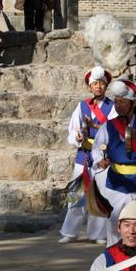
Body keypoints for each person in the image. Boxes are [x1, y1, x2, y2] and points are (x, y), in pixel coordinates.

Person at [91, 78, 136, 247]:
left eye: (123, 102)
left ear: (133, 103)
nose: (118, 105)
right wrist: (100, 160)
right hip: (116, 181)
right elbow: (96, 148)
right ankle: (114, 264)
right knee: (115, 224)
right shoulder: (108, 126)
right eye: (116, 101)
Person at [59, 66, 113, 244]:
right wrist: (78, 136)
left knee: (100, 194)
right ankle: (69, 231)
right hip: (83, 155)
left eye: (102, 84)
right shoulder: (81, 106)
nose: (99, 87)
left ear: (106, 87)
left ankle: (97, 233)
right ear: (90, 87)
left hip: (102, 159)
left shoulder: (112, 108)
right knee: (75, 194)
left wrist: (97, 129)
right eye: (95, 84)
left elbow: (114, 132)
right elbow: (72, 129)